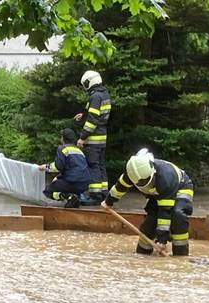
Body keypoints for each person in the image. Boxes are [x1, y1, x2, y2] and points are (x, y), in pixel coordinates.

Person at [101, 148, 194, 256]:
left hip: (181, 187)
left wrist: (162, 241)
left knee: (178, 216)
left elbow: (165, 212)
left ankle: (180, 255)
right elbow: (119, 188)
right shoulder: (131, 174)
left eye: (145, 181)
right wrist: (108, 201)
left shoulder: (165, 178)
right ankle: (142, 254)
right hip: (156, 193)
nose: (143, 183)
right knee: (149, 223)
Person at [74, 70, 112, 204]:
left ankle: (95, 196)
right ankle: (104, 193)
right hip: (102, 137)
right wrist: (82, 115)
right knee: (101, 165)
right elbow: (92, 113)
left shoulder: (95, 96)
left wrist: (82, 137)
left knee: (93, 165)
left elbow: (92, 120)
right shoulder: (104, 94)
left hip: (93, 138)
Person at [38, 128, 90, 208]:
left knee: (47, 191)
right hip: (84, 184)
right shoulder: (79, 151)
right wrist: (58, 177)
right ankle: (73, 199)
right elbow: (74, 169)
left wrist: (45, 167)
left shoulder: (62, 148)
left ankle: (68, 196)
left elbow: (58, 166)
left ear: (63, 138)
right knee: (70, 188)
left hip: (72, 182)